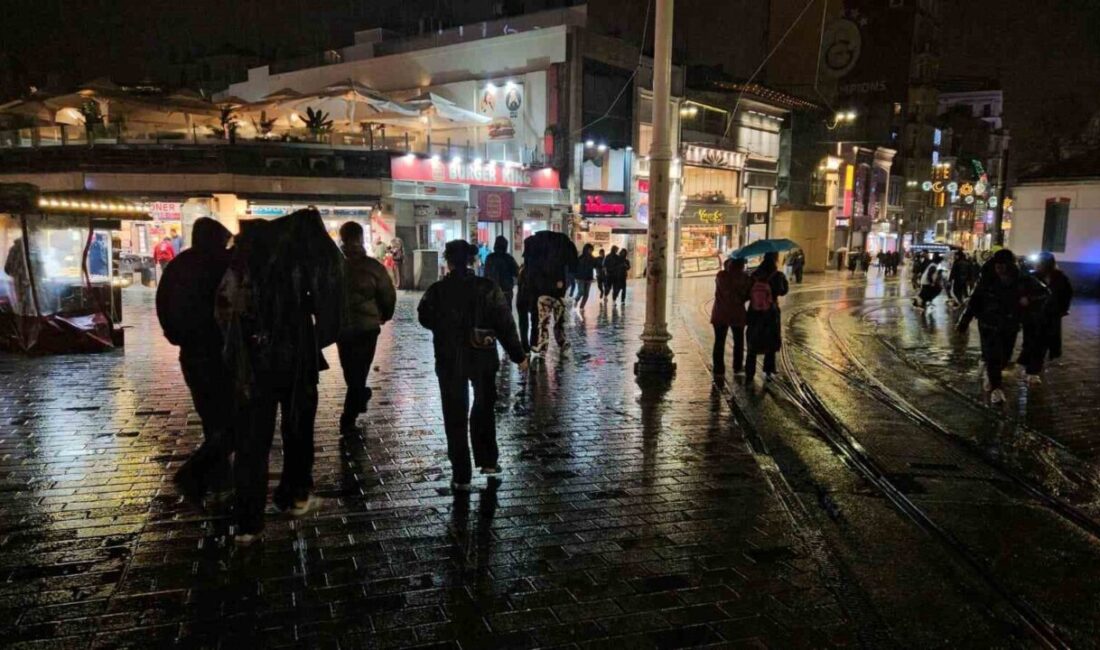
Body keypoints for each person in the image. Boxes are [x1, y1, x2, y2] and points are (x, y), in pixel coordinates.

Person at [217, 208, 345, 545]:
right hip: (296, 361)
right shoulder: (307, 256)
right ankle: (293, 495)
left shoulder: (244, 259)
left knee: (252, 441)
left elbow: (224, 306)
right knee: (298, 429)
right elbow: (331, 314)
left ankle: (248, 521)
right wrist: (314, 337)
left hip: (251, 364)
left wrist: (241, 347)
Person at [418, 240, 527, 490]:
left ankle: (461, 474)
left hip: (448, 358)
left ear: (447, 261)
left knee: (454, 413)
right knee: (484, 407)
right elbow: (505, 323)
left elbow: (424, 317)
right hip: (482, 355)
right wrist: (518, 355)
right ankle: (488, 461)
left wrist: (446, 327)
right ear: (472, 260)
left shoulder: (437, 290)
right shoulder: (487, 288)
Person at [156, 218, 234, 506]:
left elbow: (163, 305)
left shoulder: (178, 266)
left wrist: (176, 335)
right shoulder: (226, 265)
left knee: (211, 416)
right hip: (224, 351)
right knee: (236, 418)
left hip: (192, 352)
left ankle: (220, 478)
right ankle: (199, 472)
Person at [957, 249, 1044, 404]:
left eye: (1003, 265)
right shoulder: (987, 280)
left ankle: (991, 375)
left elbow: (1044, 294)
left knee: (1004, 357)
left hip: (1010, 325)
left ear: (1009, 265)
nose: (999, 268)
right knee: (993, 356)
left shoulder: (1023, 280)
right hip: (988, 324)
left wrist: (1028, 300)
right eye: (997, 265)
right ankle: (996, 389)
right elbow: (975, 301)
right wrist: (964, 321)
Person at [337, 222, 396, 435]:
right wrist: (384, 315)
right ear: (362, 239)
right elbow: (388, 295)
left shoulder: (334, 266)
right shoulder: (373, 267)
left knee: (351, 371)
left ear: (342, 239)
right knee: (358, 371)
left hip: (343, 327)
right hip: (367, 328)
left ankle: (351, 412)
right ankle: (356, 402)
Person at [523, 230, 578, 358]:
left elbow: (530, 271)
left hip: (542, 291)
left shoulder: (533, 244)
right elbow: (574, 265)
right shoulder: (563, 243)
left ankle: (541, 347)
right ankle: (562, 341)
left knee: (543, 321)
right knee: (559, 320)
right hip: (559, 291)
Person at [745, 251, 789, 383]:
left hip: (754, 311)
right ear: (775, 259)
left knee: (753, 338)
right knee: (770, 338)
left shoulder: (754, 274)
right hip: (771, 312)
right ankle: (769, 369)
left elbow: (747, 292)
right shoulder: (778, 275)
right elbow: (783, 291)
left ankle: (749, 370)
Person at [711, 257, 751, 376]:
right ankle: (737, 367)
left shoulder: (720, 276)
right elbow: (748, 295)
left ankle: (718, 369)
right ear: (741, 266)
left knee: (719, 341)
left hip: (719, 313)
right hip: (737, 313)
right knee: (738, 341)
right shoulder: (744, 278)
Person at [1034, 252, 1074, 363]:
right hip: (1038, 311)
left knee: (1053, 332)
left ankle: (1053, 353)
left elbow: (1068, 292)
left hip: (1053, 310)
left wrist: (1063, 308)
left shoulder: (1059, 276)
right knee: (1038, 333)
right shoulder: (1035, 276)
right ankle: (1038, 354)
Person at [484, 236, 519, 308]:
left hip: (492, 290)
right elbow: (516, 272)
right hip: (506, 291)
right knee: (506, 312)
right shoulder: (508, 258)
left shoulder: (489, 258)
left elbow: (486, 274)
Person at [574, 243, 596, 310]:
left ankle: (581, 307)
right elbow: (576, 267)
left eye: (591, 250)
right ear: (586, 249)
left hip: (588, 278)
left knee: (586, 294)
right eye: (589, 250)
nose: (590, 251)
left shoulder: (592, 258)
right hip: (580, 278)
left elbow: (595, 265)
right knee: (581, 291)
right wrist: (576, 276)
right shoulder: (580, 258)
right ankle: (576, 300)